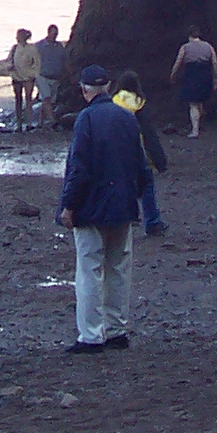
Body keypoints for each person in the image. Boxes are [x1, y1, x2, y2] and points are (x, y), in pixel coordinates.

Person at [59, 65, 149, 353]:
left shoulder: (86, 119)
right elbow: (140, 164)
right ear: (108, 87)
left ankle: (90, 335)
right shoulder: (127, 117)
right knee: (118, 269)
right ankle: (116, 329)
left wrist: (68, 205)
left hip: (92, 205)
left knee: (89, 269)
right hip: (122, 204)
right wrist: (136, 195)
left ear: (84, 90)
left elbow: (78, 168)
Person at [111, 70, 169, 235]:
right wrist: (159, 160)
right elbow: (149, 134)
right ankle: (152, 222)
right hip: (138, 149)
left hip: (117, 149)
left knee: (119, 185)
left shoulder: (113, 102)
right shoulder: (139, 103)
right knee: (146, 186)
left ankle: (120, 219)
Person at [169, 28, 217, 138]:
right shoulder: (208, 46)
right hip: (205, 74)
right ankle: (199, 122)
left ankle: (195, 131)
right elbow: (215, 63)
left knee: (193, 104)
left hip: (192, 75)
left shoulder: (185, 47)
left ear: (189, 36)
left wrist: (173, 74)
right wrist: (215, 78)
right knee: (199, 101)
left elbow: (178, 62)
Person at [35, 25, 68, 127]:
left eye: (56, 34)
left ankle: (40, 122)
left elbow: (65, 62)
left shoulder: (60, 47)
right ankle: (53, 122)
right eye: (53, 34)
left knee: (51, 102)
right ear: (48, 32)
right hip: (42, 76)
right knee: (46, 98)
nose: (54, 36)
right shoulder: (39, 46)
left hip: (56, 77)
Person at [8, 30, 40, 131]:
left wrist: (33, 74)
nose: (17, 37)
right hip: (16, 76)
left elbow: (37, 63)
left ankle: (28, 122)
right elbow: (9, 60)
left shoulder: (32, 48)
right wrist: (10, 69)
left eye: (18, 36)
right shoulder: (14, 48)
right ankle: (19, 123)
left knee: (28, 99)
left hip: (28, 77)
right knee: (18, 99)